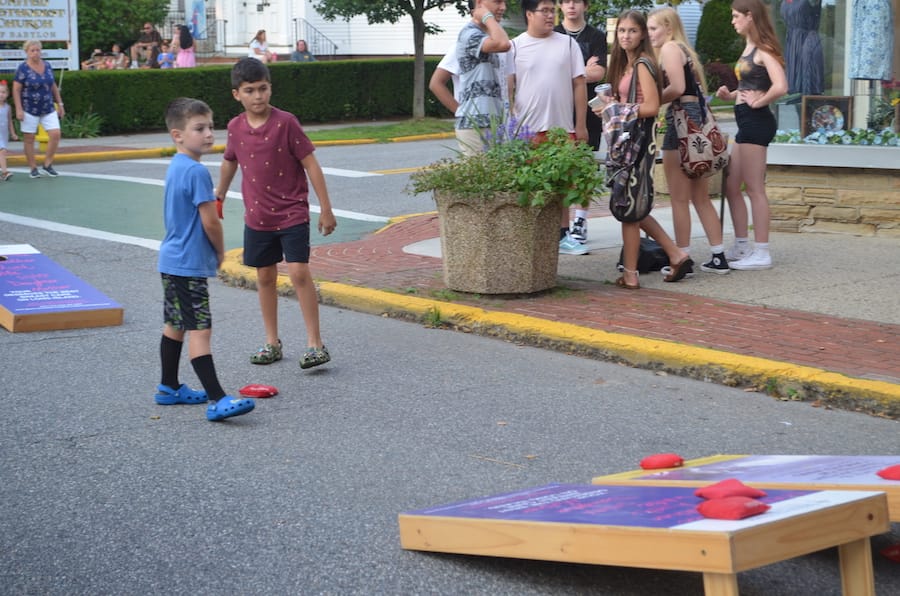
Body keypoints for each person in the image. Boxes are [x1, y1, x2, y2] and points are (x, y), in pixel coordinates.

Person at [215, 58, 337, 369]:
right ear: (237, 94)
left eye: (263, 88)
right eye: (250, 90)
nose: (258, 96)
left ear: (270, 88)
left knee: (298, 273)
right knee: (265, 276)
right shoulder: (235, 127)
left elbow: (311, 164)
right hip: (258, 217)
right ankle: (272, 342)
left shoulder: (286, 123)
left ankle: (315, 343)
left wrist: (325, 208)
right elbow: (230, 161)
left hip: (292, 212)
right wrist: (220, 194)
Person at [157, 97, 255, 422]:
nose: (209, 134)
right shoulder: (197, 171)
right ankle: (217, 399)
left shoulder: (177, 165)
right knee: (200, 329)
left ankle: (169, 387)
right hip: (187, 264)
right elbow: (210, 220)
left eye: (211, 127)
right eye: (199, 128)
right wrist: (220, 251)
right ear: (177, 135)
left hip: (171, 261)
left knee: (176, 323)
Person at [593, 10, 692, 289]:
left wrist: (617, 108)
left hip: (637, 143)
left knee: (630, 205)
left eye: (632, 31)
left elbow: (651, 106)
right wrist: (610, 103)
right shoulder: (625, 64)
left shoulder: (643, 64)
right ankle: (664, 259)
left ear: (642, 35)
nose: (626, 36)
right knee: (630, 206)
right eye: (622, 31)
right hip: (626, 141)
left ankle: (638, 271)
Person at [648, 6, 729, 275]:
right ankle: (718, 255)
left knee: (679, 198)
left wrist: (652, 101)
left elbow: (677, 88)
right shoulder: (685, 50)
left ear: (668, 28)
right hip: (697, 120)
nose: (650, 34)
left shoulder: (670, 49)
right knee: (701, 197)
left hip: (681, 121)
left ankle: (682, 257)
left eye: (653, 28)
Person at [507, 0, 588, 256]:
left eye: (552, 10)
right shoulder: (514, 46)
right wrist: (510, 123)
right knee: (530, 186)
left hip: (562, 127)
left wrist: (581, 124)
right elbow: (508, 88)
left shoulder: (568, 44)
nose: (550, 15)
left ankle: (563, 235)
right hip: (528, 130)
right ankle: (530, 235)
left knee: (562, 185)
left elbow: (579, 84)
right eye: (544, 10)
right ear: (529, 14)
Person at [715, 0, 787, 270]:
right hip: (746, 123)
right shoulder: (749, 47)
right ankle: (742, 245)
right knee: (732, 185)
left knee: (755, 189)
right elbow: (751, 84)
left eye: (736, 16)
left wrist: (760, 101)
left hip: (757, 123)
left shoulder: (764, 49)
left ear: (750, 17)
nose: (732, 21)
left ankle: (762, 252)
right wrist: (730, 95)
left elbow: (780, 86)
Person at [554, 0, 607, 245]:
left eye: (576, 1)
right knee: (561, 168)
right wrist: (582, 70)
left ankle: (580, 220)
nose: (571, 6)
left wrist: (569, 73)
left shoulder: (596, 36)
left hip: (589, 112)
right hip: (559, 110)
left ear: (585, 5)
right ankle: (561, 225)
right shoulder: (554, 34)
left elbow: (598, 73)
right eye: (566, 1)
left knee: (584, 167)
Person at [453, 0, 511, 156]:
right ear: (479, 2)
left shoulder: (487, 35)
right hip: (475, 125)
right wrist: (487, 16)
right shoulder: (469, 34)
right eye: (497, 1)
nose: (503, 7)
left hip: (493, 122)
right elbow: (504, 44)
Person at [12, 40, 63, 179]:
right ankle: (33, 168)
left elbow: (53, 86)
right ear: (27, 52)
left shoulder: (47, 65)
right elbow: (16, 90)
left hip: (48, 107)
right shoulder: (22, 68)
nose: (35, 53)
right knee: (29, 138)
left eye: (38, 50)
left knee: (55, 134)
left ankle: (47, 164)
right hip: (29, 108)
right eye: (32, 50)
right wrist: (19, 109)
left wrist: (60, 104)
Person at [0, 80, 19, 181]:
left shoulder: (8, 107)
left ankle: (4, 172)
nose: (1, 94)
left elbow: (9, 121)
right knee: (2, 151)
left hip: (3, 133)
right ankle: (4, 172)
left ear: (7, 94)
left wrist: (13, 133)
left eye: (3, 92)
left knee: (2, 152)